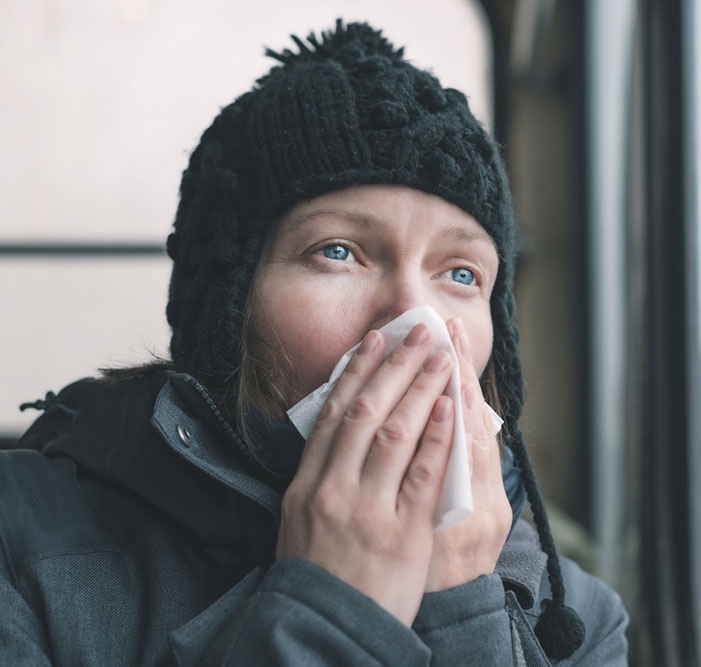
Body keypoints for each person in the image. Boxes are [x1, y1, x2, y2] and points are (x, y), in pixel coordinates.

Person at [0, 20, 628, 666]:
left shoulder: (574, 617)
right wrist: (331, 611)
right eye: (339, 252)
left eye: (460, 274)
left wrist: (465, 612)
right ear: (230, 307)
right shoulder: (21, 546)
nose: (415, 316)